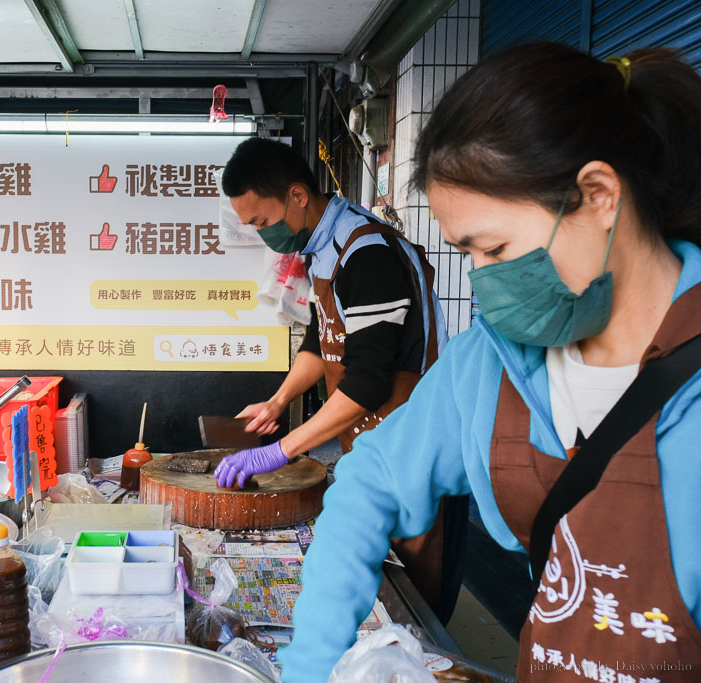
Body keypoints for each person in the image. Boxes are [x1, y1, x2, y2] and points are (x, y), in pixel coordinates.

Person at [279, 43, 701, 682]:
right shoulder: (491, 361)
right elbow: (371, 484)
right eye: (467, 254)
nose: (481, 281)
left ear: (598, 195)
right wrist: (308, 669)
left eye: (496, 249)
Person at [215, 137, 467, 622]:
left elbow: (368, 382)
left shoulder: (366, 251)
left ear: (297, 195)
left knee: (411, 616)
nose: (263, 235)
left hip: (417, 458)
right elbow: (322, 339)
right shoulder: (325, 248)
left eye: (263, 222)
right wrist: (277, 402)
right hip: (376, 456)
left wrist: (280, 450)